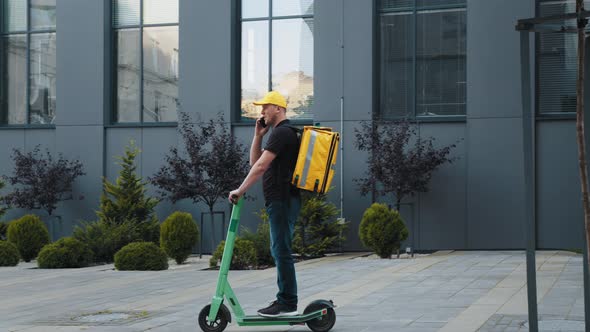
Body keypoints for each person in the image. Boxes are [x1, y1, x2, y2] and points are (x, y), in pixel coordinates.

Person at [228, 90, 301, 317]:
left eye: (265, 107)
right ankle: (286, 299)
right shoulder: (278, 133)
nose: (261, 112)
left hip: (282, 199)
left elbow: (259, 168)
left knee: (281, 250)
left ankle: (287, 302)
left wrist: (241, 190)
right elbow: (255, 162)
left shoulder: (283, 133)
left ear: (278, 108)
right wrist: (258, 135)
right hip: (280, 200)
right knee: (279, 249)